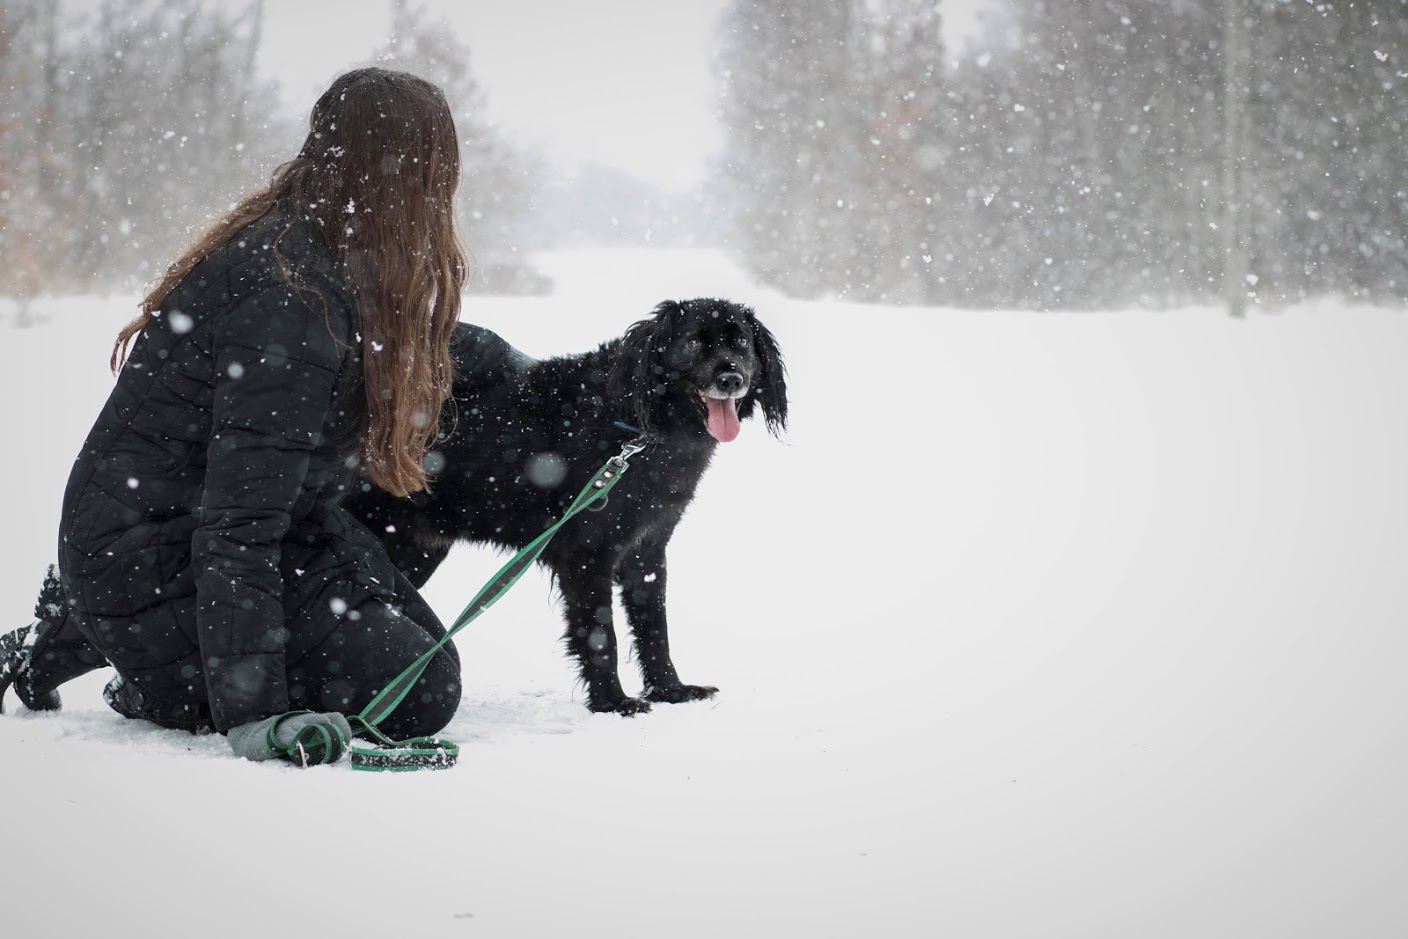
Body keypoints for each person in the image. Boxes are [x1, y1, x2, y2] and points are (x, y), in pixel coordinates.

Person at [0, 68, 466, 766]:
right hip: (151, 552)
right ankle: (160, 675)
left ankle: (85, 636)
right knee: (420, 689)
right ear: (407, 179)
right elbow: (238, 520)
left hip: (209, 532)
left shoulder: (328, 260)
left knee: (426, 652)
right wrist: (254, 711)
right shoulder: (291, 296)